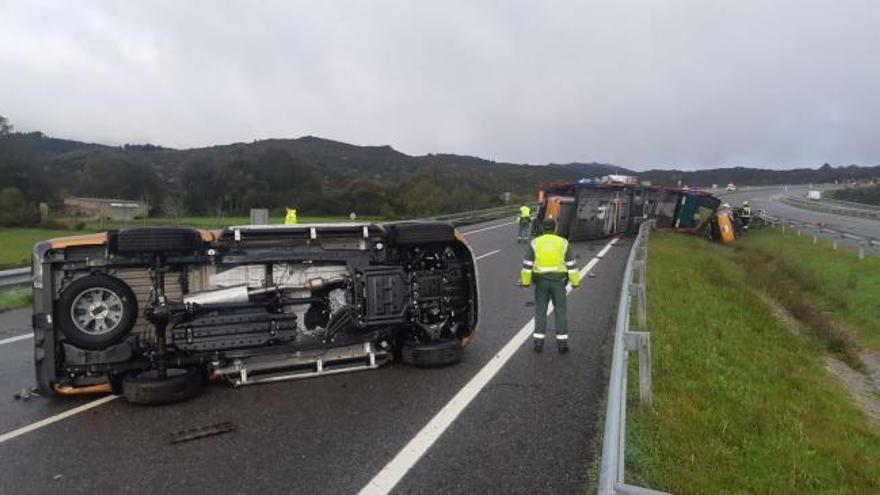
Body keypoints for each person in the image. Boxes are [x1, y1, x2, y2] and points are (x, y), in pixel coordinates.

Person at [520, 217, 581, 353]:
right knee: (560, 311)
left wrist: (525, 283)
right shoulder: (563, 243)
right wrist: (575, 283)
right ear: (555, 227)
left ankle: (538, 344)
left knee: (540, 311)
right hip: (559, 283)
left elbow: (527, 266)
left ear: (542, 227)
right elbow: (571, 265)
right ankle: (562, 345)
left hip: (541, 283)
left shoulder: (535, 243)